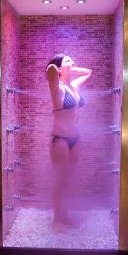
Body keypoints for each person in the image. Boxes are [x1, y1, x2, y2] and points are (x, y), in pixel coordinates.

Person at [46, 54, 92, 231]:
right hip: (60, 140)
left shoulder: (74, 86)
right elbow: (49, 69)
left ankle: (65, 215)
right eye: (68, 61)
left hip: (75, 138)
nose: (72, 62)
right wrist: (58, 66)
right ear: (59, 68)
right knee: (60, 180)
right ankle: (57, 220)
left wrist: (71, 67)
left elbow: (89, 72)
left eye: (73, 60)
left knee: (69, 180)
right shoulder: (56, 88)